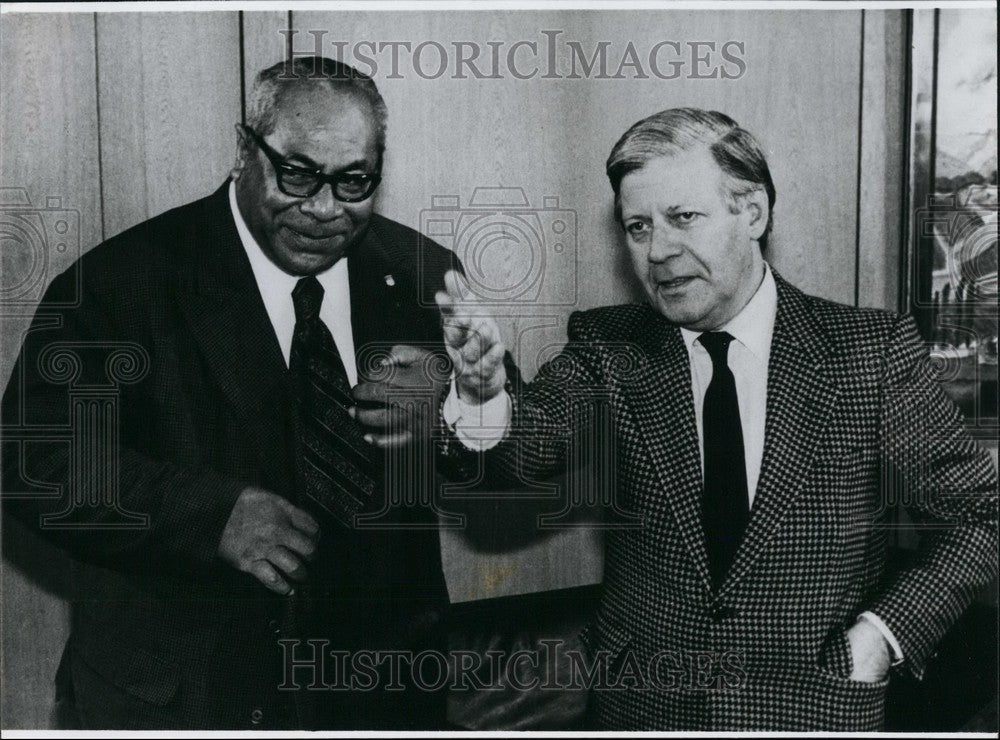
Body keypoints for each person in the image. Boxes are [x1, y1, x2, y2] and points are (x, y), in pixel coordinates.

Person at [418, 108, 999, 730]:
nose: (659, 250)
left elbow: (979, 515)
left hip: (815, 710)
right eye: (637, 226)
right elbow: (532, 447)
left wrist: (882, 635)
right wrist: (483, 397)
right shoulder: (610, 346)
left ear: (751, 213)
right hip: (647, 712)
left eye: (682, 217)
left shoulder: (866, 351)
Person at [1, 56, 456, 730]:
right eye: (297, 174)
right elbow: (37, 465)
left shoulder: (421, 275)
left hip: (378, 698)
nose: (325, 209)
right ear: (246, 150)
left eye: (354, 182)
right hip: (183, 700)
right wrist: (209, 516)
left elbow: (512, 460)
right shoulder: (120, 283)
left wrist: (459, 415)